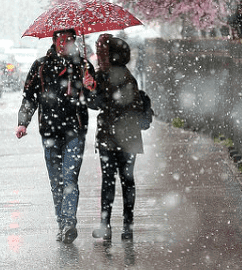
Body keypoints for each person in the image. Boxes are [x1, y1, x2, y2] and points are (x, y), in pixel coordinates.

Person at [15, 28, 96, 244]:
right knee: (56, 181)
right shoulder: (41, 66)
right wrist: (23, 122)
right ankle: (62, 223)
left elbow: (95, 101)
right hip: (50, 131)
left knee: (70, 178)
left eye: (70, 40)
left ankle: (69, 222)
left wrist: (91, 87)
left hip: (75, 131)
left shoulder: (83, 66)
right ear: (53, 40)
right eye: (61, 40)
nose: (65, 43)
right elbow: (29, 97)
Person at [88, 33, 145, 241]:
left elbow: (101, 104)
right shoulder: (123, 75)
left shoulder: (113, 76)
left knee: (112, 181)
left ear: (110, 54)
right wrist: (92, 88)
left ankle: (111, 225)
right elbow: (98, 103)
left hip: (113, 136)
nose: (99, 55)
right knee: (123, 181)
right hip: (124, 136)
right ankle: (123, 226)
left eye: (102, 51)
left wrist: (93, 91)